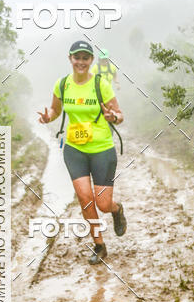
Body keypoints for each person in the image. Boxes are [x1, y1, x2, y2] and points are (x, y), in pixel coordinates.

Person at [37, 40, 127, 264]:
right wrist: (49, 117)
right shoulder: (62, 85)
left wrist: (112, 117)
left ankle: (116, 210)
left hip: (101, 149)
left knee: (102, 203)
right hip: (74, 150)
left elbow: (120, 115)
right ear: (70, 59)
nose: (81, 62)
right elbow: (56, 111)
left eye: (85, 58)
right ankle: (99, 245)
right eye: (77, 57)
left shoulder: (100, 84)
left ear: (91, 61)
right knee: (85, 199)